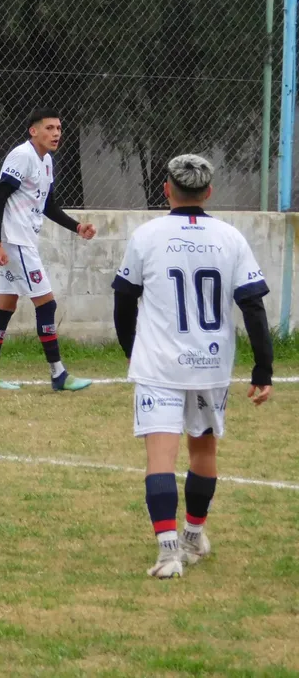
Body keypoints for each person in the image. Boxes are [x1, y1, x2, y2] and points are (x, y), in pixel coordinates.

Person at [112, 154, 273, 579]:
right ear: (209, 192)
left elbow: (124, 299)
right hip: (210, 364)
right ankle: (192, 536)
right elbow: (252, 305)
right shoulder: (230, 238)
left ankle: (168, 554)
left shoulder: (147, 235)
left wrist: (132, 349)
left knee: (159, 456)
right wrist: (263, 368)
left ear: (167, 189)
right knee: (203, 450)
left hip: (159, 365)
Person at [0, 108, 96, 391]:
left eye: (59, 128)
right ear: (34, 131)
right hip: (15, 242)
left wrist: (77, 226)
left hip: (23, 241)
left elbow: (48, 206)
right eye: (49, 128)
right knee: (47, 303)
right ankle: (59, 375)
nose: (56, 134)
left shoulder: (47, 161)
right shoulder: (22, 155)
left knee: (6, 304)